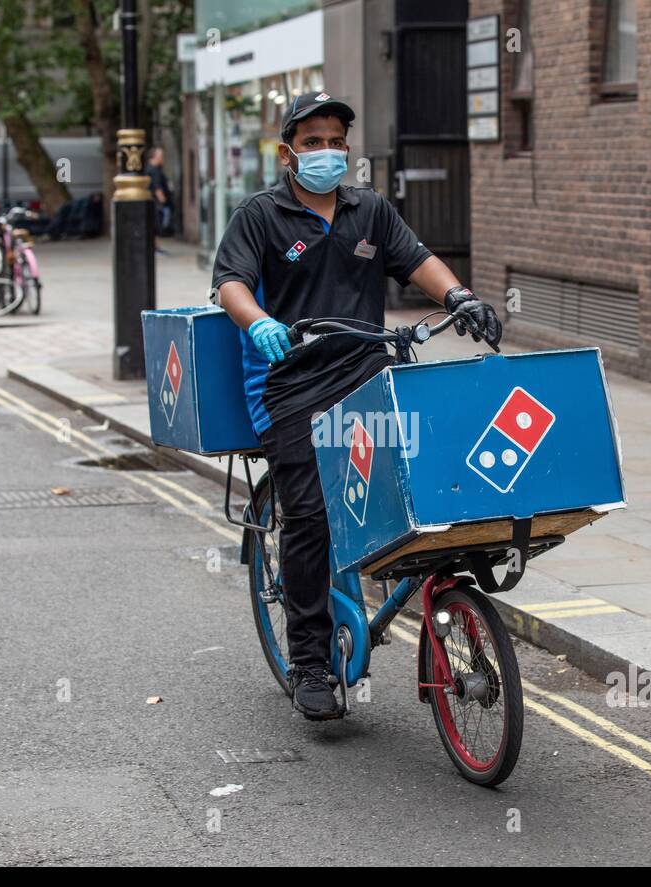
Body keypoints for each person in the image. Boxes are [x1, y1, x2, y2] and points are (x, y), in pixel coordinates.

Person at [211, 92, 501, 721]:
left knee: (424, 482)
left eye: (335, 140)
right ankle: (310, 662)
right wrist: (259, 322)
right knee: (310, 516)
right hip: (292, 383)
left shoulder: (369, 210)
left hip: (367, 369)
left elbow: (418, 260)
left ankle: (440, 587)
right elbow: (229, 282)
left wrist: (461, 297)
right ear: (288, 151)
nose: (325, 151)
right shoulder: (260, 215)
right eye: (311, 141)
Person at [147, 147, 173, 253]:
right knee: (157, 223)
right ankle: (155, 246)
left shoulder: (153, 169)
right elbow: (157, 186)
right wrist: (162, 199)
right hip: (155, 202)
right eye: (160, 156)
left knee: (156, 223)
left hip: (154, 202)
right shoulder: (153, 170)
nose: (162, 158)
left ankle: (155, 245)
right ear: (154, 157)